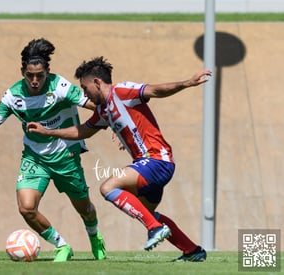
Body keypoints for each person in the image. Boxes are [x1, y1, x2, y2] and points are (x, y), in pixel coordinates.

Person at [0, 39, 106, 262]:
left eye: (40, 75)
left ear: (48, 72)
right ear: (22, 72)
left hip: (66, 157)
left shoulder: (61, 87)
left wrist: (112, 122)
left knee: (85, 209)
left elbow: (98, 105)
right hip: (34, 158)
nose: (35, 80)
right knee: (26, 208)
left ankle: (94, 236)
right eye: (29, 75)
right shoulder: (13, 95)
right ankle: (62, 246)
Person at [27, 56, 212, 262]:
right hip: (149, 165)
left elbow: (155, 90)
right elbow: (83, 131)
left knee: (108, 187)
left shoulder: (122, 92)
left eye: (85, 87)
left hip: (157, 160)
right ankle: (192, 250)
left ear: (97, 82)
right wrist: (48, 132)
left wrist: (186, 83)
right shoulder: (103, 110)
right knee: (149, 212)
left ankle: (154, 228)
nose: (84, 93)